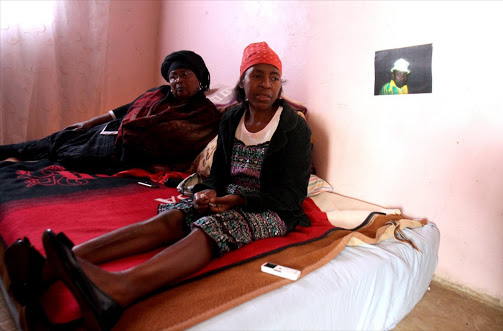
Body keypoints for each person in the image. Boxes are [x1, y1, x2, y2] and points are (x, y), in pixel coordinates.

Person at [4, 41, 312, 330]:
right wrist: (210, 191)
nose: (266, 85)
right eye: (257, 76)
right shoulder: (232, 118)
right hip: (230, 196)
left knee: (212, 227)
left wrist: (237, 201)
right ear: (242, 82)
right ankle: (48, 269)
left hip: (271, 208)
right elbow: (218, 173)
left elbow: (291, 195)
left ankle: (122, 288)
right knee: (175, 214)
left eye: (274, 78)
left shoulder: (293, 127)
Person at [0, 51, 221, 174]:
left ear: (199, 78)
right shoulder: (159, 93)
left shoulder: (203, 113)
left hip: (125, 152)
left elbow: (184, 142)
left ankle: (13, 167)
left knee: (70, 156)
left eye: (185, 74)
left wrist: (163, 166)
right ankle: (7, 152)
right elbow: (126, 109)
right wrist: (90, 122)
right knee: (60, 138)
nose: (178, 80)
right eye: (174, 76)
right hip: (111, 131)